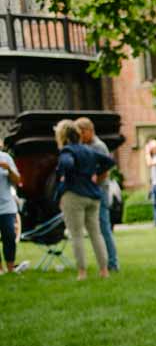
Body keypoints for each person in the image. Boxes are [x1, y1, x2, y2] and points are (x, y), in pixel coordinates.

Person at [53, 119, 112, 280]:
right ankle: (104, 270)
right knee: (96, 234)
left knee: (77, 235)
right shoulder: (88, 150)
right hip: (93, 195)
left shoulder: (67, 151)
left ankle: (82, 272)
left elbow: (67, 164)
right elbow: (109, 162)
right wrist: (94, 174)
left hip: (74, 195)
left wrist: (69, 176)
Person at [76, 117, 120, 272]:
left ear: (88, 130)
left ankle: (113, 263)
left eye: (80, 132)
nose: (79, 136)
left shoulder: (98, 146)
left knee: (103, 227)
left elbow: (105, 171)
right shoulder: (84, 145)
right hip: (90, 190)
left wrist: (92, 183)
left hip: (99, 190)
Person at [0, 143, 20, 274]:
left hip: (6, 207)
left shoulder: (6, 158)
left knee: (9, 237)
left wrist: (9, 170)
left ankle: (11, 269)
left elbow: (17, 180)